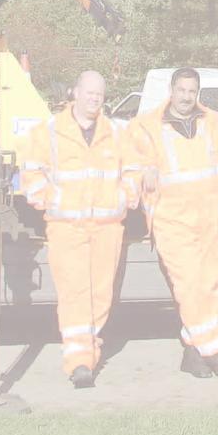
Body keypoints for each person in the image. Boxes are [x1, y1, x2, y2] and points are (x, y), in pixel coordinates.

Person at [20, 69, 135, 388]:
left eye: (99, 94)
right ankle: (78, 361)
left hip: (107, 227)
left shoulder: (116, 132)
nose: (95, 98)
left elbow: (134, 169)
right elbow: (31, 174)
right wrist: (52, 200)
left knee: (101, 294)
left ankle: (89, 351)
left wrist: (125, 197)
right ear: (74, 92)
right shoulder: (49, 131)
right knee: (74, 293)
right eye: (89, 92)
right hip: (66, 227)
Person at [125, 67, 218, 378]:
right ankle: (213, 350)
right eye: (182, 90)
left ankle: (192, 352)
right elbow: (129, 167)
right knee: (188, 286)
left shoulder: (214, 122)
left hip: (211, 219)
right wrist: (143, 174)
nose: (187, 97)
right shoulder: (146, 127)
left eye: (192, 91)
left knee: (209, 285)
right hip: (172, 220)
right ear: (171, 91)